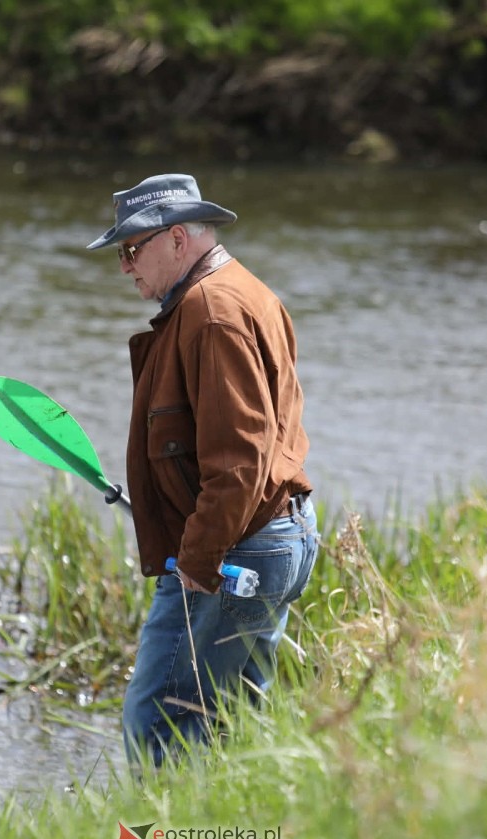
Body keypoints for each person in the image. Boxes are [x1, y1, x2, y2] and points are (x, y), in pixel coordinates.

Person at [87, 173, 320, 768]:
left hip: (236, 550)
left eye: (131, 249)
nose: (124, 267)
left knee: (158, 720)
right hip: (271, 537)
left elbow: (241, 459)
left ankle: (159, 837)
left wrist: (198, 558)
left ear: (177, 240)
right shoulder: (239, 291)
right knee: (234, 726)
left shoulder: (211, 311)